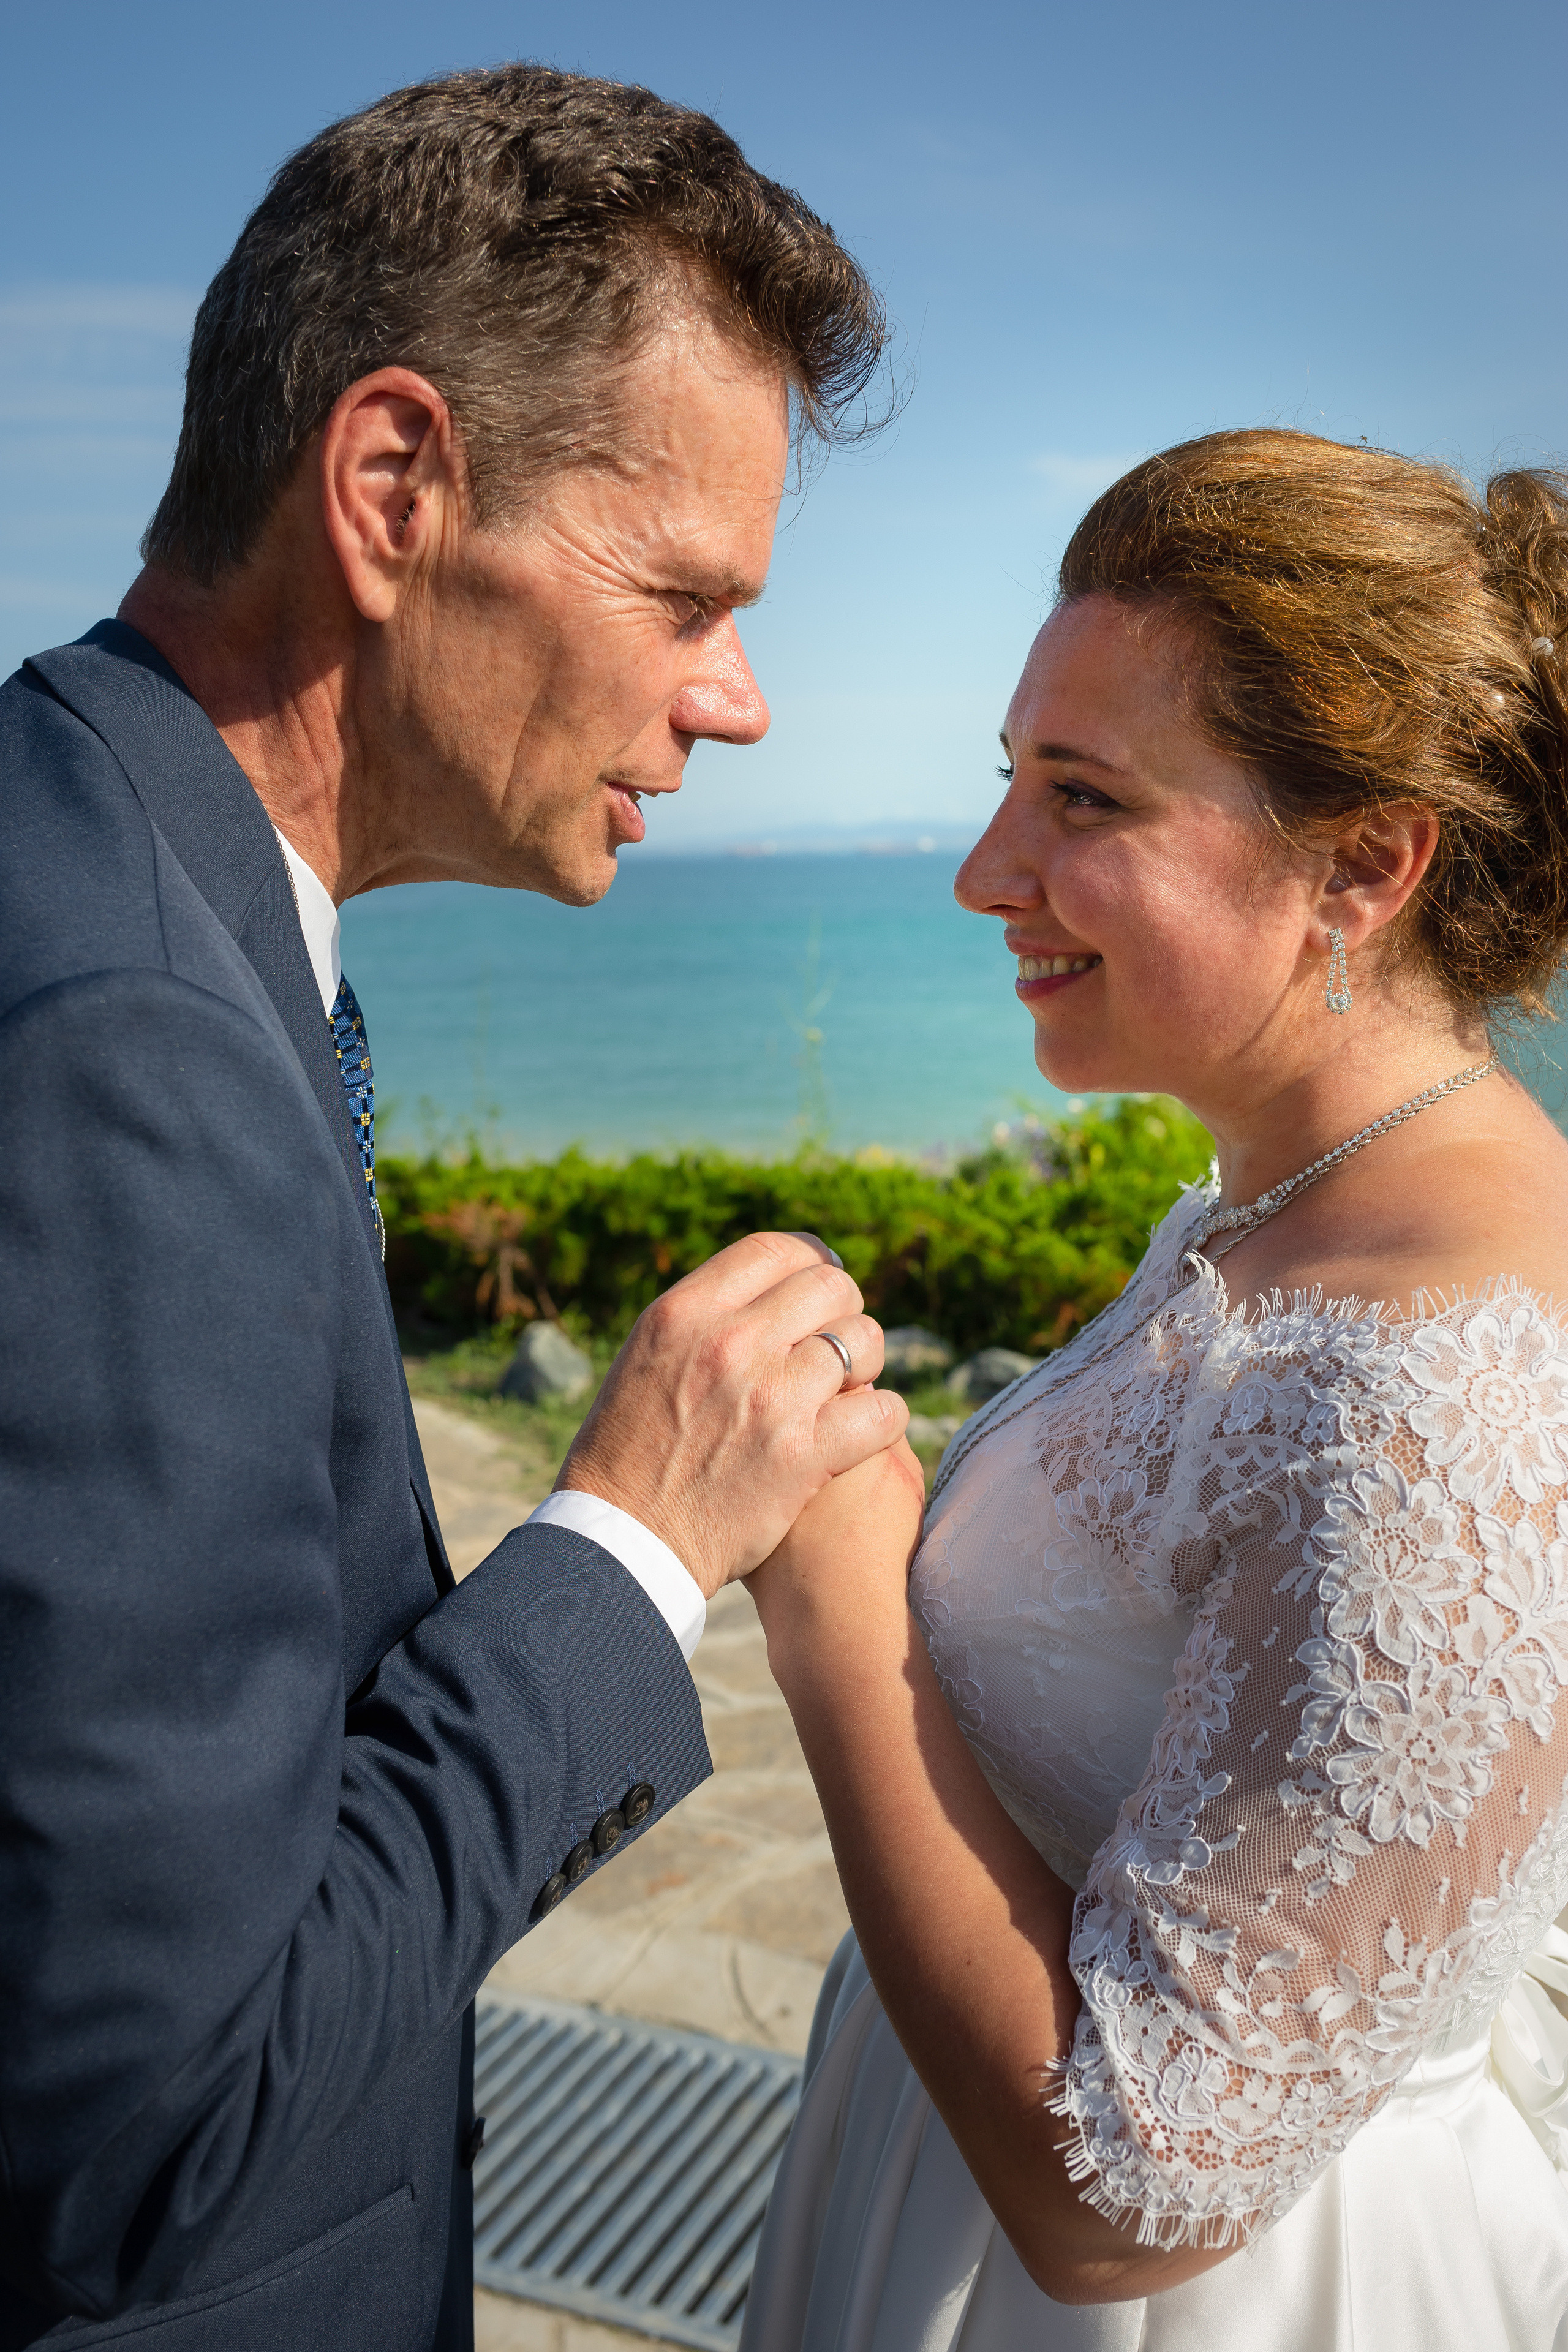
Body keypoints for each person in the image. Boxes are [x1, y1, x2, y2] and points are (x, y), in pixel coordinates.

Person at [0, 66, 909, 2352]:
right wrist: (629, 1538)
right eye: (684, 593)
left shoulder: (90, 851)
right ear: (395, 486)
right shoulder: (132, 1047)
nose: (742, 699)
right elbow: (158, 2134)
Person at [740, 429, 1568, 2351]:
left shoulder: (1439, 1403)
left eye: (1082, 797)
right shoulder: (1270, 1202)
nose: (983, 873)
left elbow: (1130, 2198)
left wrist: (841, 1604)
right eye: (1006, 783)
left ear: (1362, 862)